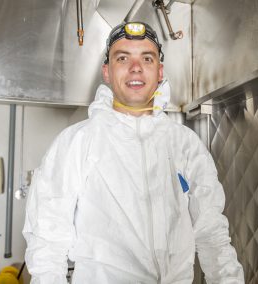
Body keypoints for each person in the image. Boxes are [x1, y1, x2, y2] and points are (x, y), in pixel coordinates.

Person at [23, 22, 244, 284]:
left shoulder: (185, 144)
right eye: (123, 58)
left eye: (147, 58)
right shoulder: (76, 143)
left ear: (159, 71)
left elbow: (212, 234)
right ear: (107, 71)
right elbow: (48, 241)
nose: (135, 67)